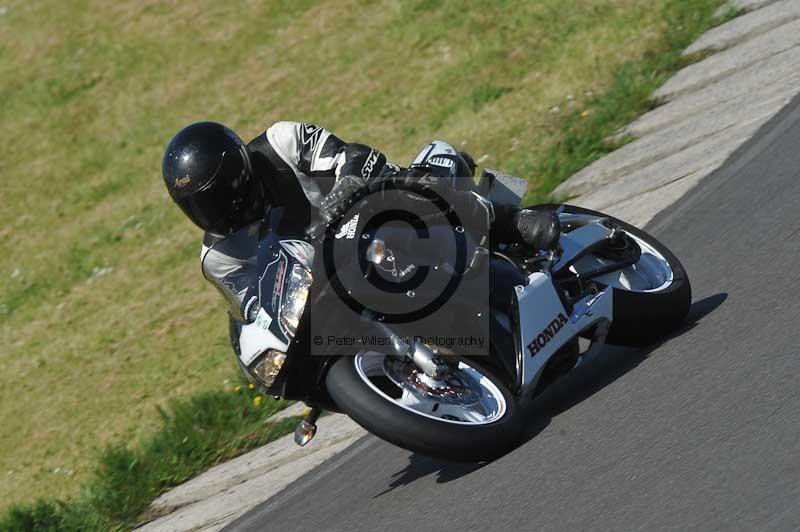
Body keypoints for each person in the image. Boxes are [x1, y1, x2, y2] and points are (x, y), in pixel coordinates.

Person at [161, 121, 559, 317]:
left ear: (239, 175)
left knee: (400, 185)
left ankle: (509, 218)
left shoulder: (280, 143)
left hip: (364, 214)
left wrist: (341, 194)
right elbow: (254, 310)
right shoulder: (217, 257)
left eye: (215, 199)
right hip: (325, 283)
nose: (212, 214)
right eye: (196, 207)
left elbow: (352, 156)